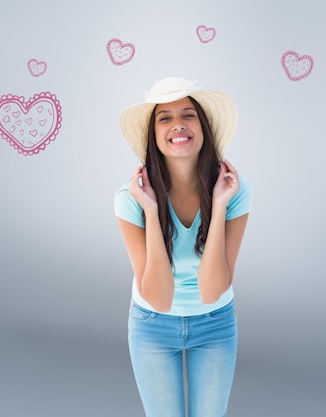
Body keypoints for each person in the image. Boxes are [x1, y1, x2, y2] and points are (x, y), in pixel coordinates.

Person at [114, 77, 252, 417]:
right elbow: (159, 298)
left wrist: (218, 207)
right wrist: (151, 209)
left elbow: (211, 291)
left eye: (188, 114)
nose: (178, 124)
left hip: (215, 323)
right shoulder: (129, 199)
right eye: (165, 117)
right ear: (154, 136)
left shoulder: (233, 189)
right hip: (152, 326)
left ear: (203, 127)